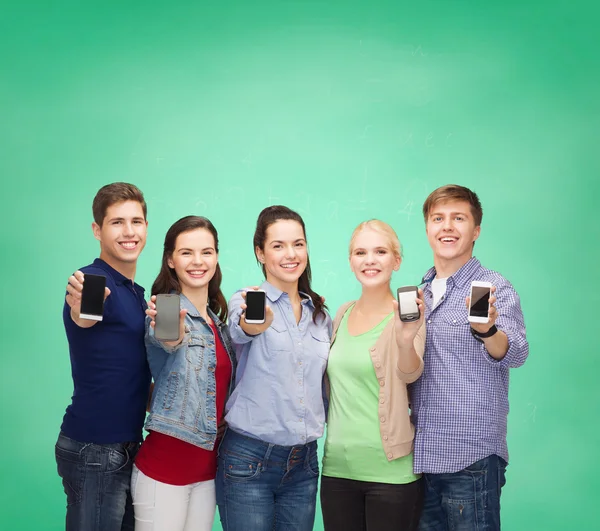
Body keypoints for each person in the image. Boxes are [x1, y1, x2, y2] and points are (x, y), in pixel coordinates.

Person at [410, 184, 529, 530]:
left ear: (475, 230)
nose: (447, 226)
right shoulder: (419, 294)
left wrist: (488, 330)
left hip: (471, 457)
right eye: (438, 218)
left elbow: (516, 351)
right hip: (420, 458)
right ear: (428, 228)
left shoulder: (493, 287)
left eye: (458, 218)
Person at [216, 205, 332, 531]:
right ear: (261, 253)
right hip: (249, 460)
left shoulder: (320, 316)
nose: (290, 254)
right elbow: (242, 328)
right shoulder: (247, 299)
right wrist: (257, 323)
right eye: (278, 246)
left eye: (298, 243)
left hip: (304, 463)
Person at [131, 216, 236, 531]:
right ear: (170, 260)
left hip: (206, 472)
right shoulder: (166, 308)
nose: (198, 261)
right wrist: (172, 332)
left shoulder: (218, 322)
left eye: (206, 252)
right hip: (165, 471)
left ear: (216, 257)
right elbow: (168, 337)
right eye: (187, 252)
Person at [56, 182, 151, 531]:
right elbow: (85, 314)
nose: (129, 232)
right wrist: (82, 308)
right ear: (98, 230)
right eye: (117, 222)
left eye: (137, 221)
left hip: (125, 446)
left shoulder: (137, 293)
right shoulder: (94, 279)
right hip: (94, 449)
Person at [320, 220, 426, 531]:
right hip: (337, 470)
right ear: (351, 261)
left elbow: (411, 373)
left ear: (397, 261)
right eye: (360, 252)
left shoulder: (410, 317)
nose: (370, 260)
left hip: (391, 475)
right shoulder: (341, 314)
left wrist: (406, 339)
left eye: (380, 251)